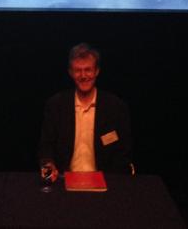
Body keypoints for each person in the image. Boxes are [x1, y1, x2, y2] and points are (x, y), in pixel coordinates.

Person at [38, 43, 134, 181]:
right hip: (63, 183)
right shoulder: (56, 105)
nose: (83, 75)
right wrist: (48, 166)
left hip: (105, 185)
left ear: (97, 71)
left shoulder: (116, 107)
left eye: (88, 70)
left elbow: (123, 154)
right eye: (78, 70)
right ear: (70, 72)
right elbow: (46, 147)